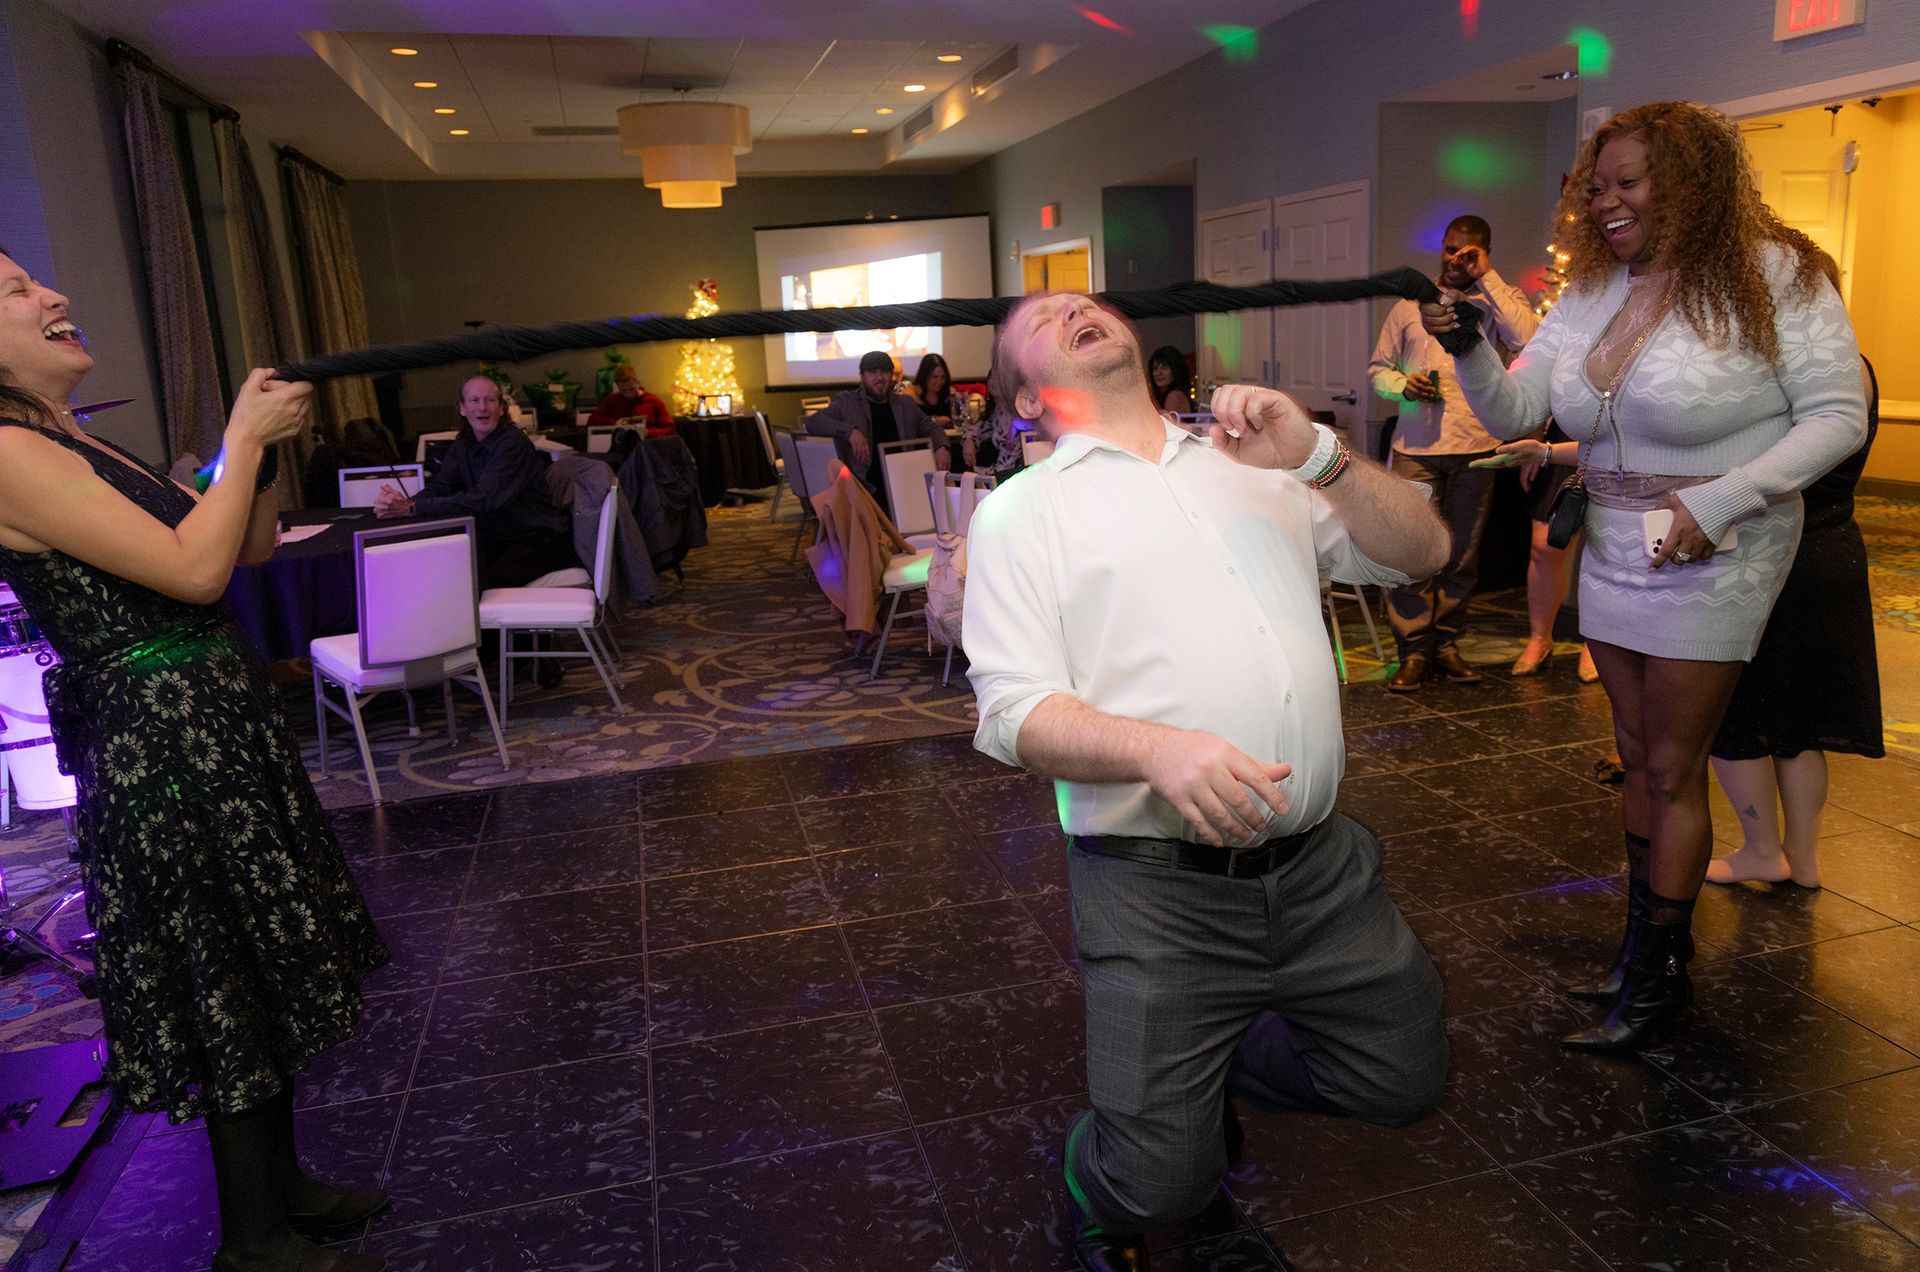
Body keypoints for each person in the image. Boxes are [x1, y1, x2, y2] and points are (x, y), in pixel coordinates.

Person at [964, 289, 1450, 1271]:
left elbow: (1424, 554)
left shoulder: (1254, 463)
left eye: (1086, 302)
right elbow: (1012, 714)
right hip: (1154, 889)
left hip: (1322, 872)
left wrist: (1319, 455)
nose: (1075, 309)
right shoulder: (1024, 514)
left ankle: (1193, 1068)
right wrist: (1157, 750)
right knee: (1159, 1187)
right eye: (1045, 319)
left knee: (1406, 1080)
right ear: (1023, 397)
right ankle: (1107, 1162)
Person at [1422, 101, 1868, 1053]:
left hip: (1722, 543)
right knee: (1638, 756)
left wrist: (1723, 502)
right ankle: (1641, 953)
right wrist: (1467, 344)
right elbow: (1517, 406)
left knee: (1673, 763)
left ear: (1693, 183)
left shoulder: (1778, 275)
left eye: (1631, 183)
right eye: (1600, 186)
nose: (1608, 203)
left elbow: (1839, 417)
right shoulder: (1590, 291)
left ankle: (1664, 982)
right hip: (1618, 539)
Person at [0, 249, 389, 1272]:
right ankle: (254, 1241)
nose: (55, 295)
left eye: (41, 279)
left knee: (257, 964)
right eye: (16, 291)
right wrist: (237, 439)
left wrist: (261, 456)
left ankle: (283, 1188)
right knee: (221, 971)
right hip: (161, 750)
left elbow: (244, 545)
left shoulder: (78, 440)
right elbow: (191, 568)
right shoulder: (5, 451)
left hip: (213, 732)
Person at [1706, 356, 1883, 887]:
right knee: (1802, 719)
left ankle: (1761, 851)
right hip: (1835, 549)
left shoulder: (1786, 370)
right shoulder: (1857, 367)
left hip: (1771, 551)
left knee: (1730, 708)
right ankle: (1802, 858)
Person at [1370, 214, 1539, 691]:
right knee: (1412, 550)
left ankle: (1445, 644)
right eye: (1449, 249)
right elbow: (1378, 369)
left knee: (1461, 556)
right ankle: (1412, 651)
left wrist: (1487, 277)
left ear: (1483, 254)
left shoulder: (1498, 304)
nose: (1454, 259)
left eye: (1467, 253)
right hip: (1414, 448)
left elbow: (1528, 338)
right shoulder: (1409, 305)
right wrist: (1403, 385)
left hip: (1476, 445)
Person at [374, 376, 579, 592]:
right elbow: (442, 486)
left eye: (490, 400)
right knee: (447, 567)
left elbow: (484, 500)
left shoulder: (512, 444)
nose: (482, 407)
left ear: (501, 408)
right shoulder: (465, 441)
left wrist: (411, 509)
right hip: (502, 537)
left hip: (538, 541)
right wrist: (404, 504)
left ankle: (484, 626)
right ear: (462, 408)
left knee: (471, 582)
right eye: (474, 400)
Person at [805, 348, 946, 517]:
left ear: (891, 375)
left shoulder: (905, 404)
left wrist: (942, 447)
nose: (879, 378)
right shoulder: (848, 402)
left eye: (885, 372)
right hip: (864, 488)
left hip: (903, 485)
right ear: (862, 376)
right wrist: (850, 432)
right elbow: (813, 422)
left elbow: (932, 428)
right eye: (872, 372)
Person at [1510, 421, 1600, 681]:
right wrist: (1536, 441)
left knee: (1603, 544)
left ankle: (1596, 642)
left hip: (1617, 432)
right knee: (1544, 546)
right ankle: (1540, 638)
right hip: (1564, 432)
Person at [587, 363, 672, 436]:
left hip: (649, 445)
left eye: (632, 389)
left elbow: (670, 429)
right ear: (617, 385)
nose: (628, 395)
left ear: (638, 383)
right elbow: (592, 420)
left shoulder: (653, 400)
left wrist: (648, 433)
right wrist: (614, 422)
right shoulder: (613, 400)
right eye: (623, 390)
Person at [1146, 345, 1193, 414]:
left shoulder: (1175, 396)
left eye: (1164, 368)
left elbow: (1167, 423)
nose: (1159, 373)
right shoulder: (1161, 394)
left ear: (1176, 370)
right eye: (1155, 368)